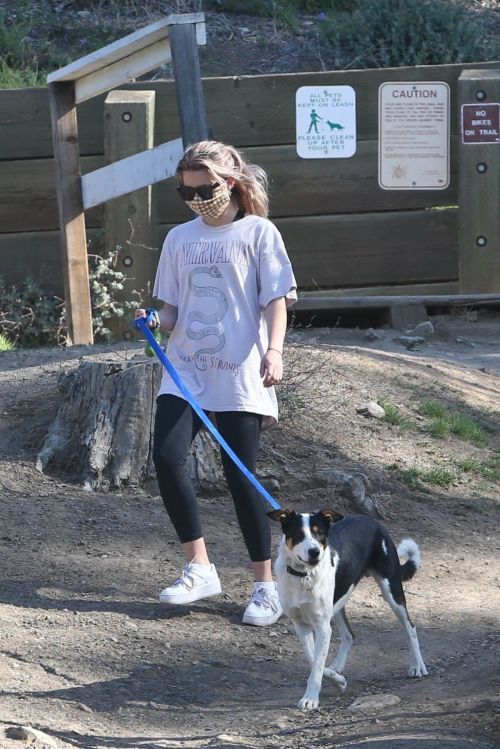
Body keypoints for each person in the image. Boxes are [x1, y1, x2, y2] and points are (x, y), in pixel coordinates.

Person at [135, 140, 297, 627]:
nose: (197, 199)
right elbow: (172, 309)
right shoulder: (179, 240)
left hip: (240, 372)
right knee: (166, 457)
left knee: (239, 474)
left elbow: (276, 299)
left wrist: (274, 352)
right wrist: (153, 320)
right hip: (185, 370)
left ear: (231, 181)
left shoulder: (258, 232)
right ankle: (199, 566)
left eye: (204, 188)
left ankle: (265, 585)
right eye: (186, 193)